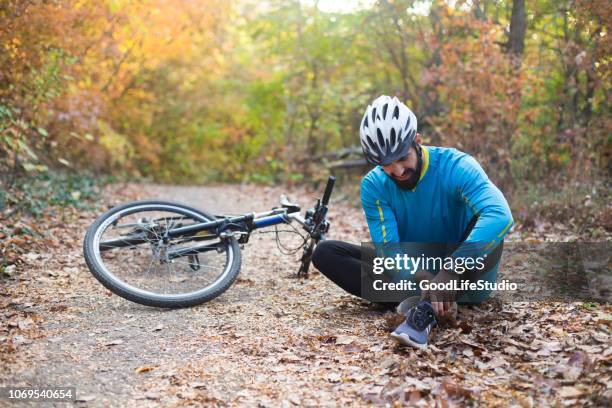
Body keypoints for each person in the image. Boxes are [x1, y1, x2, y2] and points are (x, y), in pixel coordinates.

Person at [312, 95, 513, 349]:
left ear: (417, 141)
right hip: (415, 277)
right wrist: (422, 277)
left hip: (465, 274)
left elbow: (500, 214)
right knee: (326, 252)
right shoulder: (374, 185)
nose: (397, 171)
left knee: (489, 228)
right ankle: (425, 301)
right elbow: (389, 251)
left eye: (402, 158)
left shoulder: (458, 166)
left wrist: (450, 271)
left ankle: (425, 310)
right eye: (386, 164)